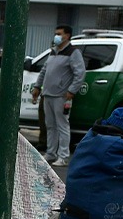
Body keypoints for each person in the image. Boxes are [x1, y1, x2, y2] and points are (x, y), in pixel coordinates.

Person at [30, 25, 86, 167]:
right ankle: (51, 153)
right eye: (56, 33)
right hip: (48, 94)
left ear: (67, 36)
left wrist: (72, 90)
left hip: (61, 95)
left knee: (62, 125)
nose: (56, 36)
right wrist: (37, 86)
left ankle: (63, 156)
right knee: (50, 125)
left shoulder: (73, 53)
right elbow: (44, 70)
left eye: (59, 34)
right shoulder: (53, 52)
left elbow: (80, 73)